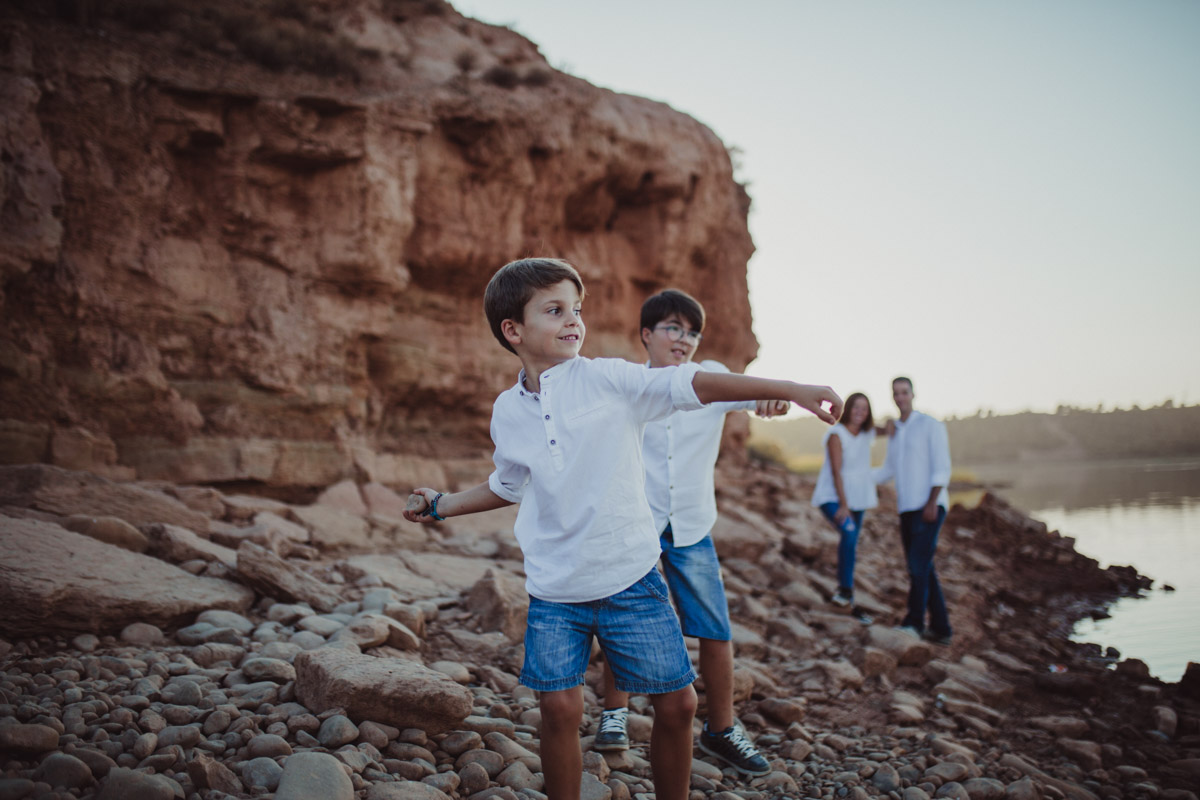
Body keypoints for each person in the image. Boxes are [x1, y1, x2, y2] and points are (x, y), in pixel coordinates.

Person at [403, 258, 841, 800]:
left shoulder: (610, 378)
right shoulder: (507, 411)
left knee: (679, 704)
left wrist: (793, 387)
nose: (573, 320)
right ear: (513, 330)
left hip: (631, 579)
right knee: (559, 707)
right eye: (555, 310)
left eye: (577, 309)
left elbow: (692, 382)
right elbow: (508, 485)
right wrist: (442, 505)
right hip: (555, 587)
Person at [593, 289, 786, 777]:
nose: (685, 339)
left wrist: (768, 395)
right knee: (623, 617)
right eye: (673, 329)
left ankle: (721, 730)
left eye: (692, 331)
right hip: (636, 524)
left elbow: (750, 391)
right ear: (646, 335)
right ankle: (614, 712)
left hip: (692, 525)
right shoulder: (630, 385)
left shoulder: (710, 378)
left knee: (714, 626)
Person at [873, 376, 953, 644]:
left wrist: (932, 503)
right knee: (923, 567)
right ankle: (942, 629)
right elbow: (887, 471)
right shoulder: (896, 431)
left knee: (917, 566)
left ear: (913, 394)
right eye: (896, 393)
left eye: (904, 392)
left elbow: (942, 468)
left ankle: (914, 623)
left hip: (929, 506)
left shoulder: (930, 425)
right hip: (906, 508)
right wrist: (854, 477)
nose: (900, 397)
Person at [810, 392, 879, 622]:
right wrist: (844, 505)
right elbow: (836, 471)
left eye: (865, 408)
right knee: (849, 533)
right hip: (834, 498)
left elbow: (884, 431)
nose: (860, 412)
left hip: (858, 499)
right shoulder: (836, 434)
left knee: (851, 541)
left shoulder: (866, 434)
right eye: (856, 407)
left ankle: (846, 595)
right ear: (848, 408)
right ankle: (844, 590)